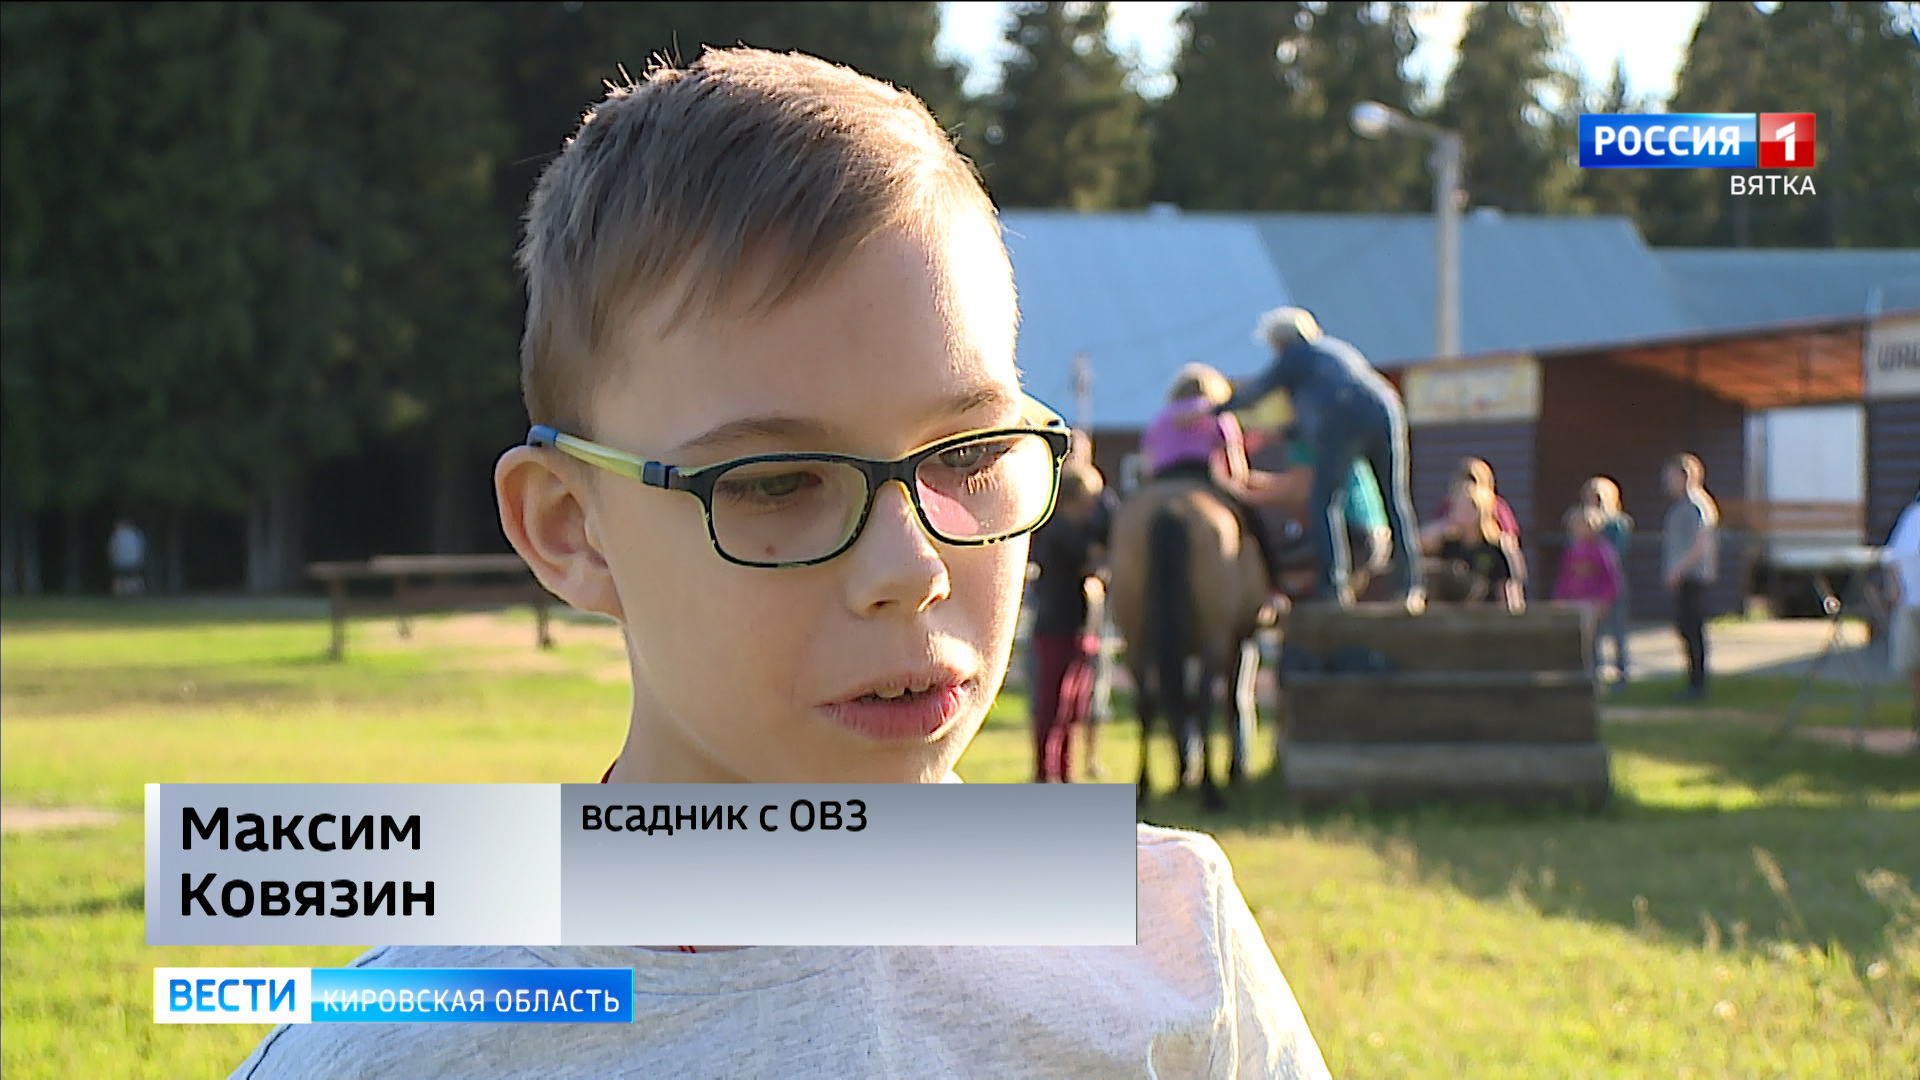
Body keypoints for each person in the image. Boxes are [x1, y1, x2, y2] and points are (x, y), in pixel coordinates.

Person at [233, 48, 1329, 1079]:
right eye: (774, 482)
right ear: (572, 528)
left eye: (970, 454)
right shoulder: (403, 1049)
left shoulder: (1173, 946)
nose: (910, 567)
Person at [1225, 307, 1424, 611]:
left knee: (1325, 502)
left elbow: (1258, 390)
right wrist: (1280, 434)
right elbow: (1314, 417)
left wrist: (1216, 409)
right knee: (1395, 500)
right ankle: (1409, 587)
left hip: (1343, 418)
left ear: (1279, 343)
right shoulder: (1334, 352)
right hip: (1386, 409)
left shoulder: (1295, 355)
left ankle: (1333, 587)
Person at [1139, 362, 1288, 597]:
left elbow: (1147, 468)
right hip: (1203, 477)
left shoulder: (1160, 419)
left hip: (1162, 480)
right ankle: (1274, 586)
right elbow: (1238, 472)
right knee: (1252, 519)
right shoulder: (1219, 414)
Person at [1027, 462, 1105, 783]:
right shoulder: (1059, 531)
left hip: (1077, 627)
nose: (1092, 509)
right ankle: (1046, 772)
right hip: (1057, 627)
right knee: (1054, 705)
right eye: (1088, 501)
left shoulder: (1072, 530)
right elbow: (1091, 556)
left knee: (1073, 708)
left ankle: (1064, 771)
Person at [1066, 429, 1118, 780]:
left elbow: (1117, 543)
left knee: (1095, 685)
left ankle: (1091, 756)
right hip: (1059, 602)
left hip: (1095, 605)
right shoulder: (1052, 499)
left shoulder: (1103, 501)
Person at [1661, 453, 1720, 703]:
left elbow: (1701, 544)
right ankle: (1692, 681)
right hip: (1683, 578)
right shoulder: (1680, 507)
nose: (1666, 482)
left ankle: (1698, 686)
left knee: (1693, 630)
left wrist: (1679, 569)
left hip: (1693, 577)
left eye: (1670, 477)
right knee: (1685, 629)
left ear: (1684, 476)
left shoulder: (1697, 506)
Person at [1421, 478, 1526, 613]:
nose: (1459, 513)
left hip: (1487, 616)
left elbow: (1508, 591)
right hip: (1453, 617)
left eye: (1465, 508)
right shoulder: (1448, 544)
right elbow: (1420, 545)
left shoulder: (1494, 548)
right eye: (1456, 507)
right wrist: (1442, 527)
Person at [1552, 506, 1625, 678]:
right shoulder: (1571, 551)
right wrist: (1559, 599)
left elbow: (1612, 580)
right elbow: (1564, 577)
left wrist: (1604, 602)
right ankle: (1579, 674)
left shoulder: (1602, 550)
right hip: (1574, 602)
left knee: (1594, 640)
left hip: (1594, 603)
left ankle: (1596, 675)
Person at [1580, 476, 1635, 688]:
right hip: (1589, 586)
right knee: (1592, 634)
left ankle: (1622, 675)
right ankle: (1593, 676)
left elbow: (1615, 553)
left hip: (1613, 583)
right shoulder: (1582, 523)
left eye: (1600, 498)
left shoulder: (1619, 523)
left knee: (1618, 632)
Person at [1881, 491, 1920, 738]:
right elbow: (1891, 556)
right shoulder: (1912, 515)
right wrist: (1893, 584)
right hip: (1909, 604)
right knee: (1912, 665)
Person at [107, 519, 146, 597]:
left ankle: (120, 596)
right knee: (134, 578)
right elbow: (141, 549)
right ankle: (136, 594)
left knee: (119, 580)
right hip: (134, 561)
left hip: (120, 561)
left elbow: (112, 549)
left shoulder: (117, 535)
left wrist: (111, 559)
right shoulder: (136, 535)